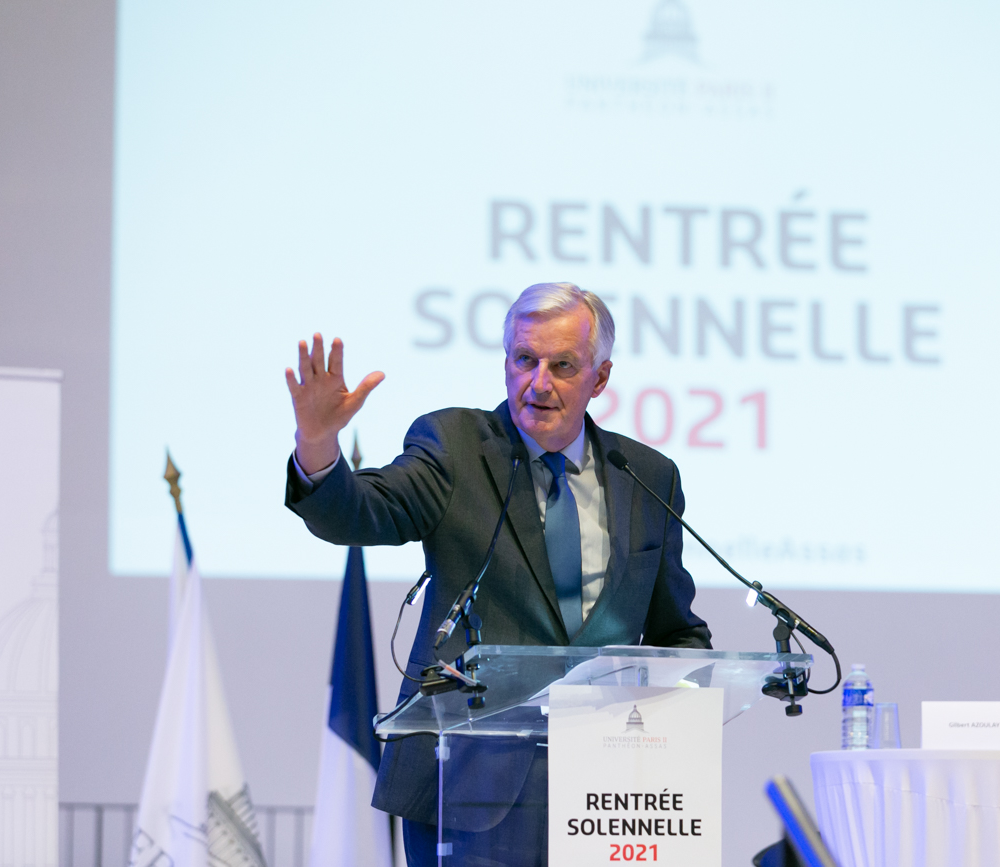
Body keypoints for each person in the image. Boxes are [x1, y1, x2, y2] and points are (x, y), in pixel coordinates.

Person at [284, 282, 711, 866]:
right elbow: (360, 511)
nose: (539, 383)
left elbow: (675, 631)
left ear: (601, 378)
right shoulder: (455, 446)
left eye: (563, 366)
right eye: (524, 359)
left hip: (606, 797)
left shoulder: (646, 475)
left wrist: (682, 699)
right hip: (466, 790)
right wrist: (316, 443)